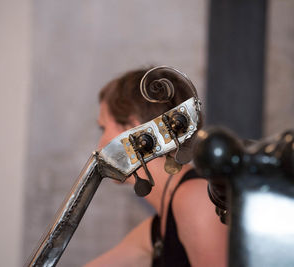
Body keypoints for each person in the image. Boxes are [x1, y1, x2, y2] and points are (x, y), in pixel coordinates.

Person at [85, 68, 228, 267]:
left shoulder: (196, 201)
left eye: (104, 128)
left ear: (132, 129)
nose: (100, 145)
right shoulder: (159, 225)